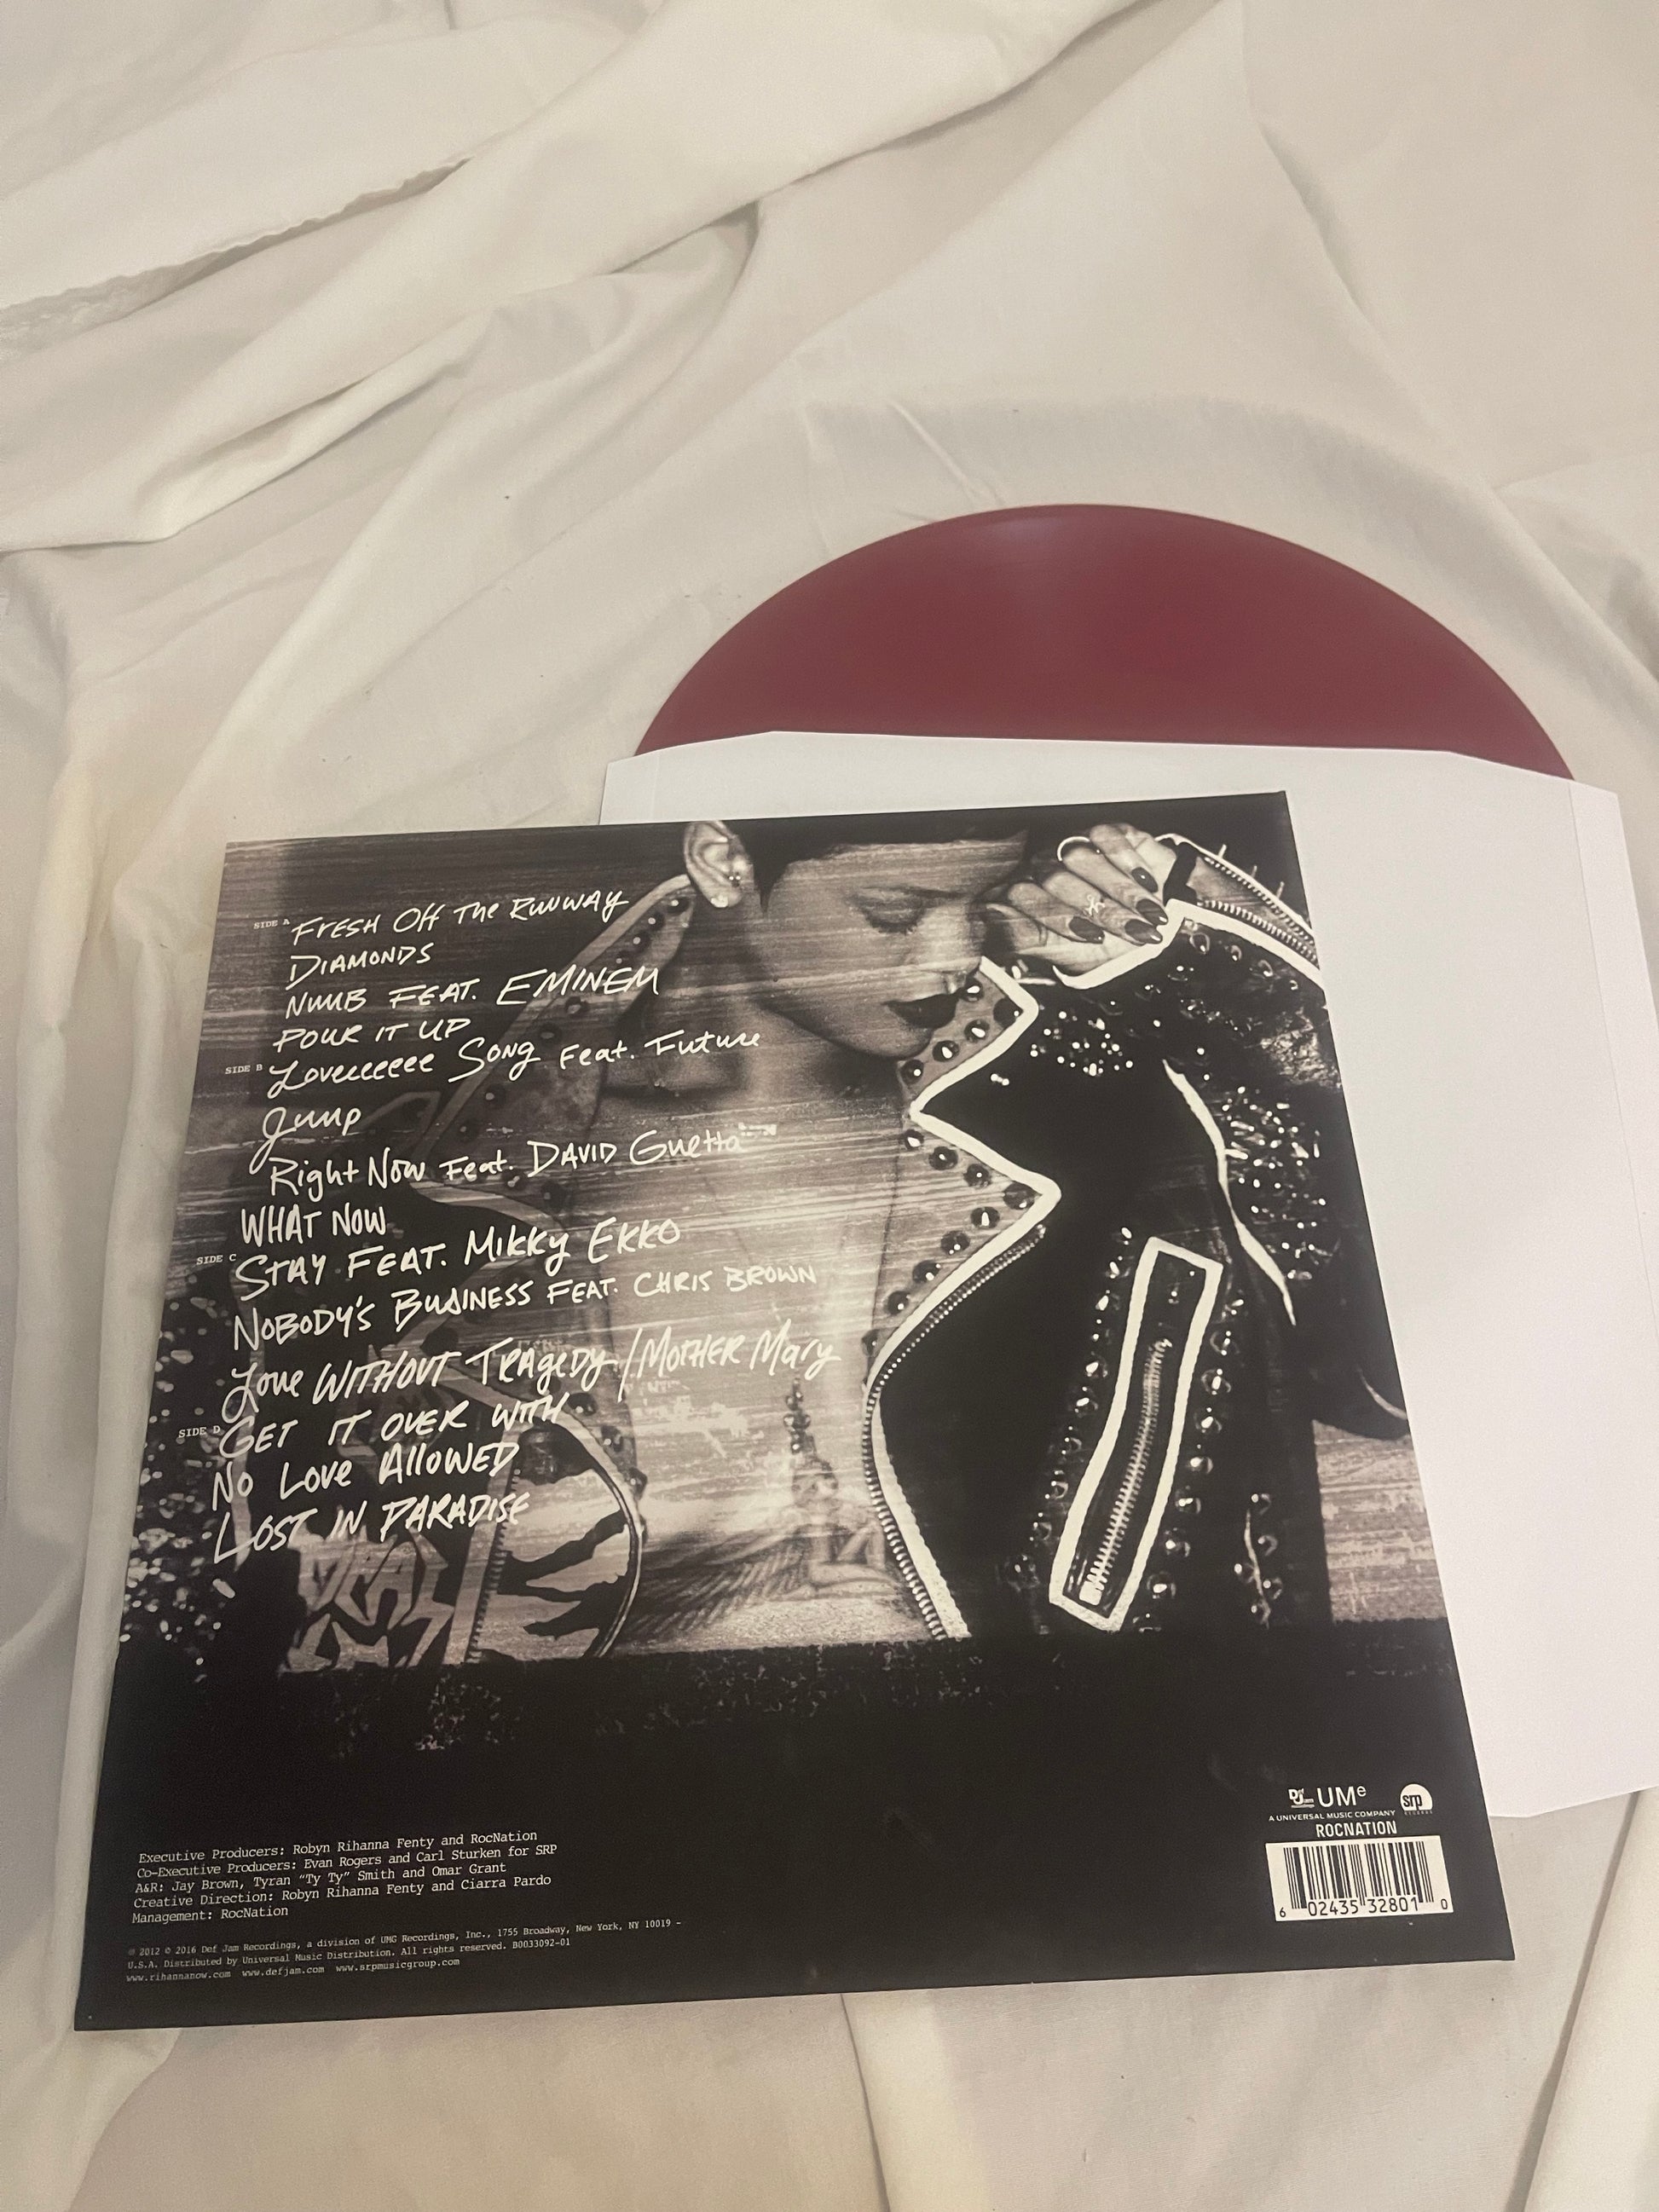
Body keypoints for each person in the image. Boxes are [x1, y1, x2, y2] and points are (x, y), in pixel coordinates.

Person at [266, 803, 1408, 1668]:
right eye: (894, 914)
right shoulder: (439, 1186)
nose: (949, 958)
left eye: (981, 904)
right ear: (723, 862)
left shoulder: (1097, 1102)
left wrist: (1240, 973)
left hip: (1086, 1768)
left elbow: (1382, 1384)